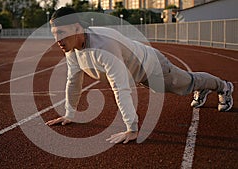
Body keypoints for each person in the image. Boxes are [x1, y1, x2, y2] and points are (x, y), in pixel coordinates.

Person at [45, 7, 234, 144]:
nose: (57, 40)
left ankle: (224, 87)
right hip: (138, 73)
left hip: (153, 67)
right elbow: (73, 80)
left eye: (61, 33)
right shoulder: (71, 49)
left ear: (77, 28)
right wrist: (70, 113)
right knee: (184, 86)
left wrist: (131, 128)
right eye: (54, 34)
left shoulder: (104, 46)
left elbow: (120, 87)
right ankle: (202, 90)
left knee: (186, 83)